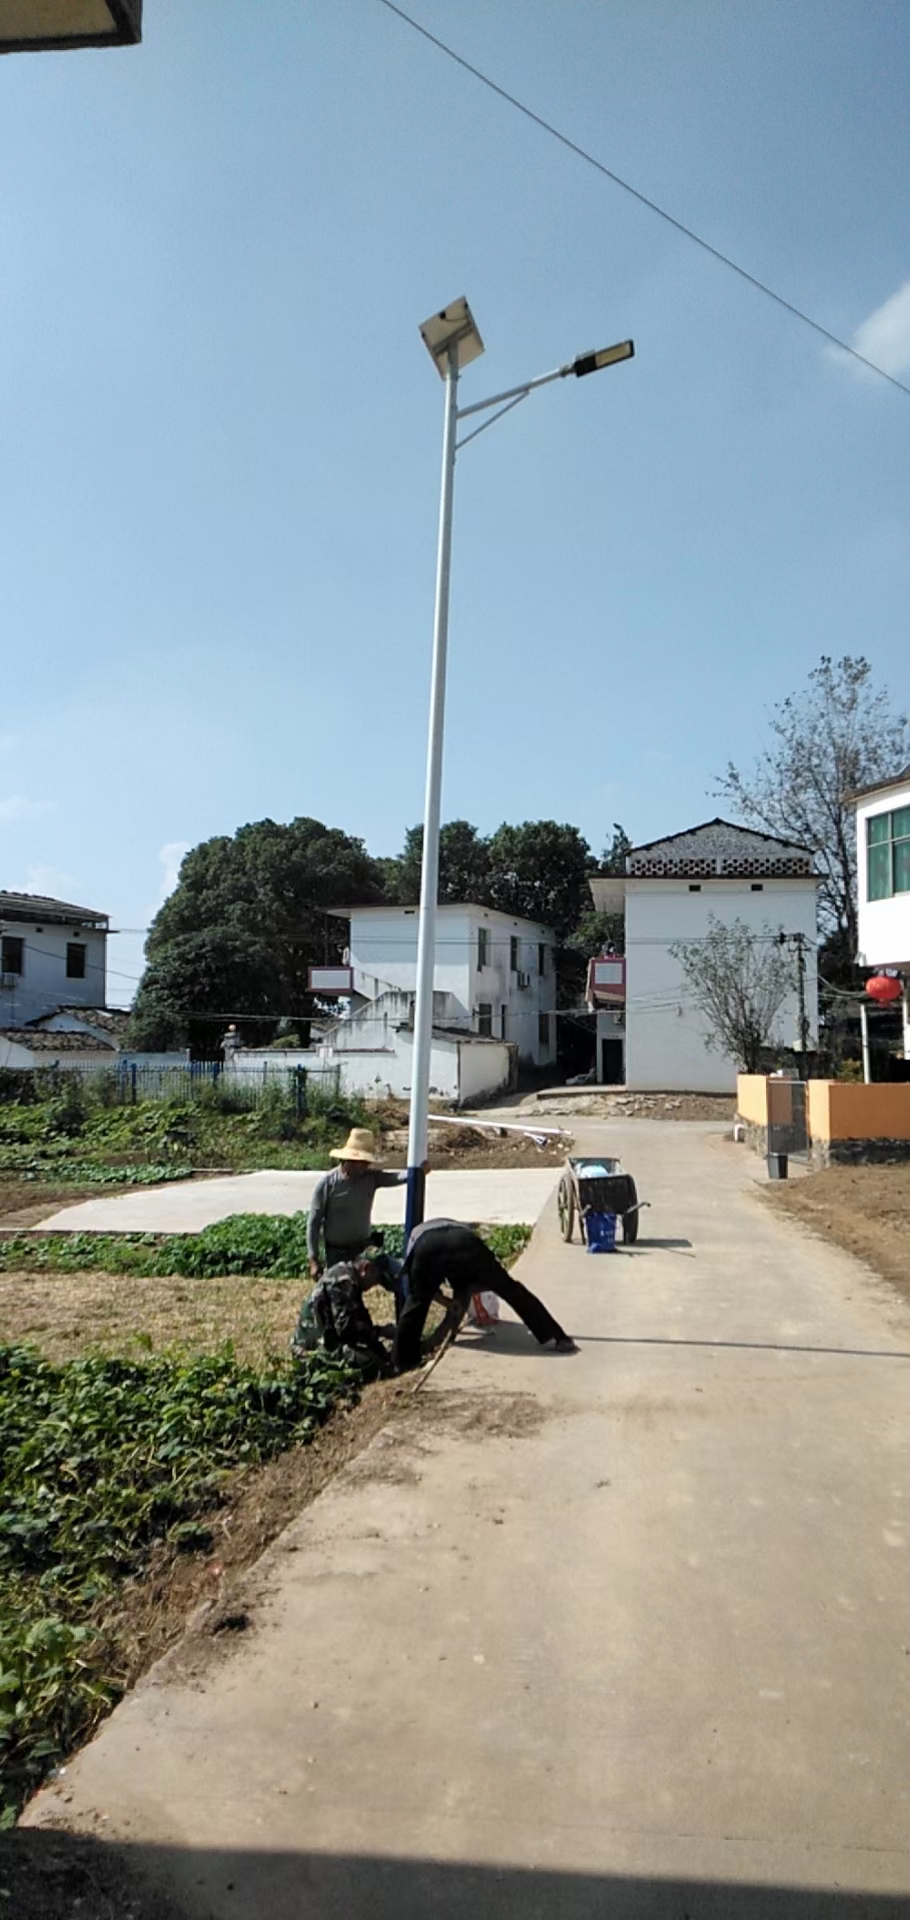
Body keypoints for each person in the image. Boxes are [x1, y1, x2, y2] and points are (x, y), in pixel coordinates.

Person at [394, 1218, 578, 1372]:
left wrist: (445, 1302)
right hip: (465, 1242)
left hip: (429, 1245)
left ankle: (403, 1362)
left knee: (417, 1303)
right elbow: (463, 1285)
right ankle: (558, 1337)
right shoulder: (456, 1228)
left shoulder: (414, 1240)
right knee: (511, 1289)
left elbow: (420, 1290)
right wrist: (452, 1303)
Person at [306, 1128, 415, 1275]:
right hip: (337, 1252)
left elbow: (397, 1177)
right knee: (342, 1290)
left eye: (367, 1162)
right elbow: (314, 1222)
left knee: (398, 1274)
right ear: (350, 1160)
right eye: (362, 1162)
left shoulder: (371, 1178)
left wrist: (417, 1172)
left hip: (364, 1248)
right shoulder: (328, 1184)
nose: (366, 1166)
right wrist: (313, 1259)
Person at [291, 1254, 393, 1376]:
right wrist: (381, 1332)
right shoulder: (343, 1281)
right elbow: (346, 1329)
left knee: (379, 1356)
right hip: (310, 1352)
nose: (375, 1284)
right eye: (376, 1278)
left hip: (324, 1343)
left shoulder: (348, 1276)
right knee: (372, 1365)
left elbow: (358, 1320)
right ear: (366, 1269)